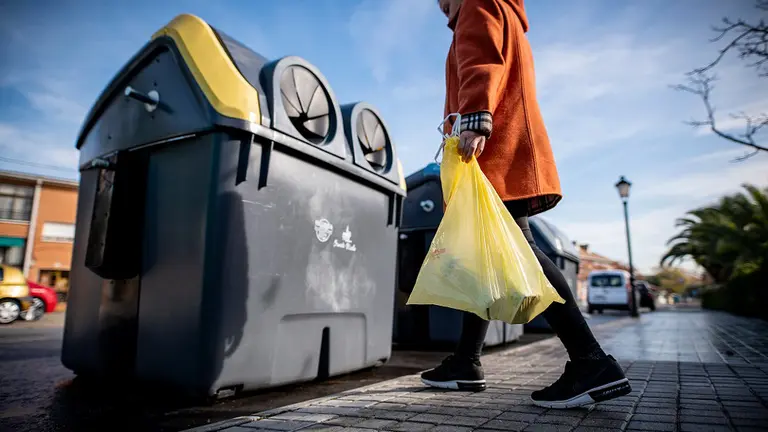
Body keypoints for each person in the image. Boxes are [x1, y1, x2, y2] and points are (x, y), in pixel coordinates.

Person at [422, 0, 632, 409]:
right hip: (510, 142)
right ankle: (467, 361)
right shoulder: (502, 8)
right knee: (481, 255)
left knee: (519, 250)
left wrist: (476, 116)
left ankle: (591, 361)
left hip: (496, 146)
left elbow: (481, 55)